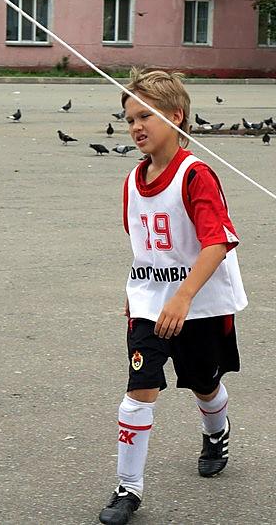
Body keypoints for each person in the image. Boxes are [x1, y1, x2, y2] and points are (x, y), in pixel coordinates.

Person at [98, 68, 248, 525]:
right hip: (148, 304)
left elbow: (218, 241)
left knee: (203, 381)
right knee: (138, 391)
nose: (136, 126)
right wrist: (154, 295)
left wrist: (182, 297)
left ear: (176, 117)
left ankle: (216, 429)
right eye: (129, 119)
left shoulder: (195, 175)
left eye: (146, 116)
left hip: (197, 303)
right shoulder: (130, 181)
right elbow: (141, 241)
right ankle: (129, 489)